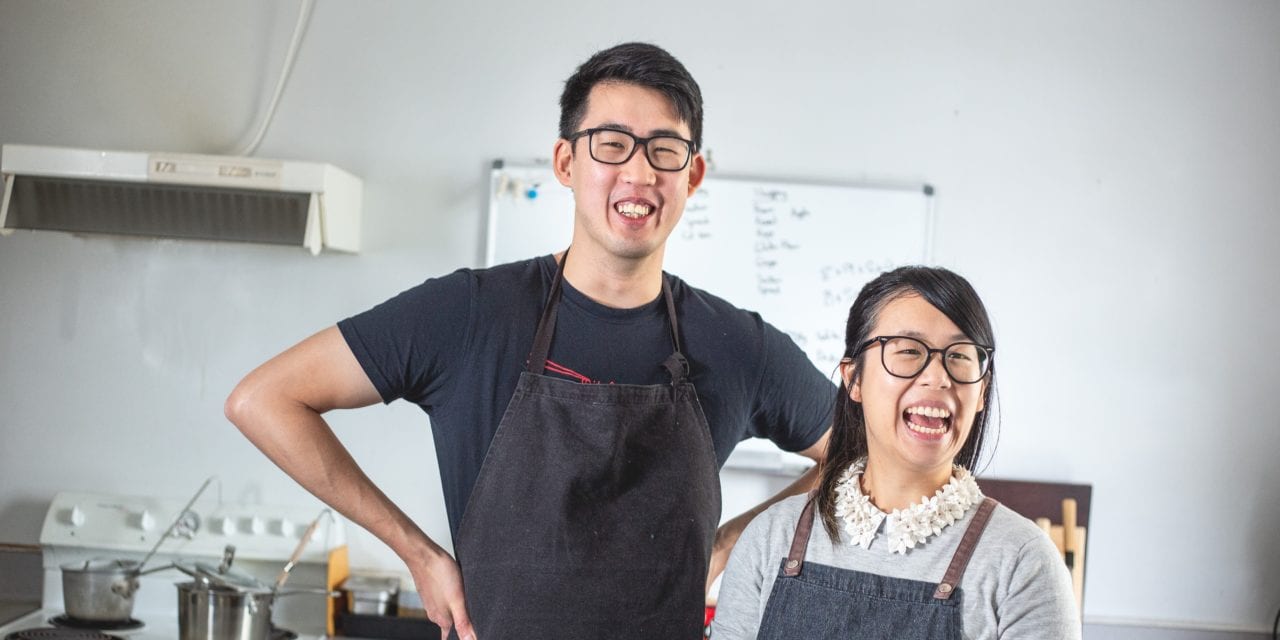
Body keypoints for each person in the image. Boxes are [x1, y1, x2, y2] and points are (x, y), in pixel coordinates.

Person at [224, 42, 834, 640]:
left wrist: (734, 543)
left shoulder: (735, 345)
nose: (640, 172)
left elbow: (860, 451)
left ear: (692, 174)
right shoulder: (469, 315)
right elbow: (264, 399)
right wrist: (417, 551)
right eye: (613, 144)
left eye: (665, 150)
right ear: (567, 163)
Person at [711, 266, 1081, 639]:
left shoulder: (1023, 563)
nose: (938, 377)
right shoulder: (770, 538)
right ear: (853, 379)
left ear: (982, 391)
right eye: (908, 350)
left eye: (959, 356)